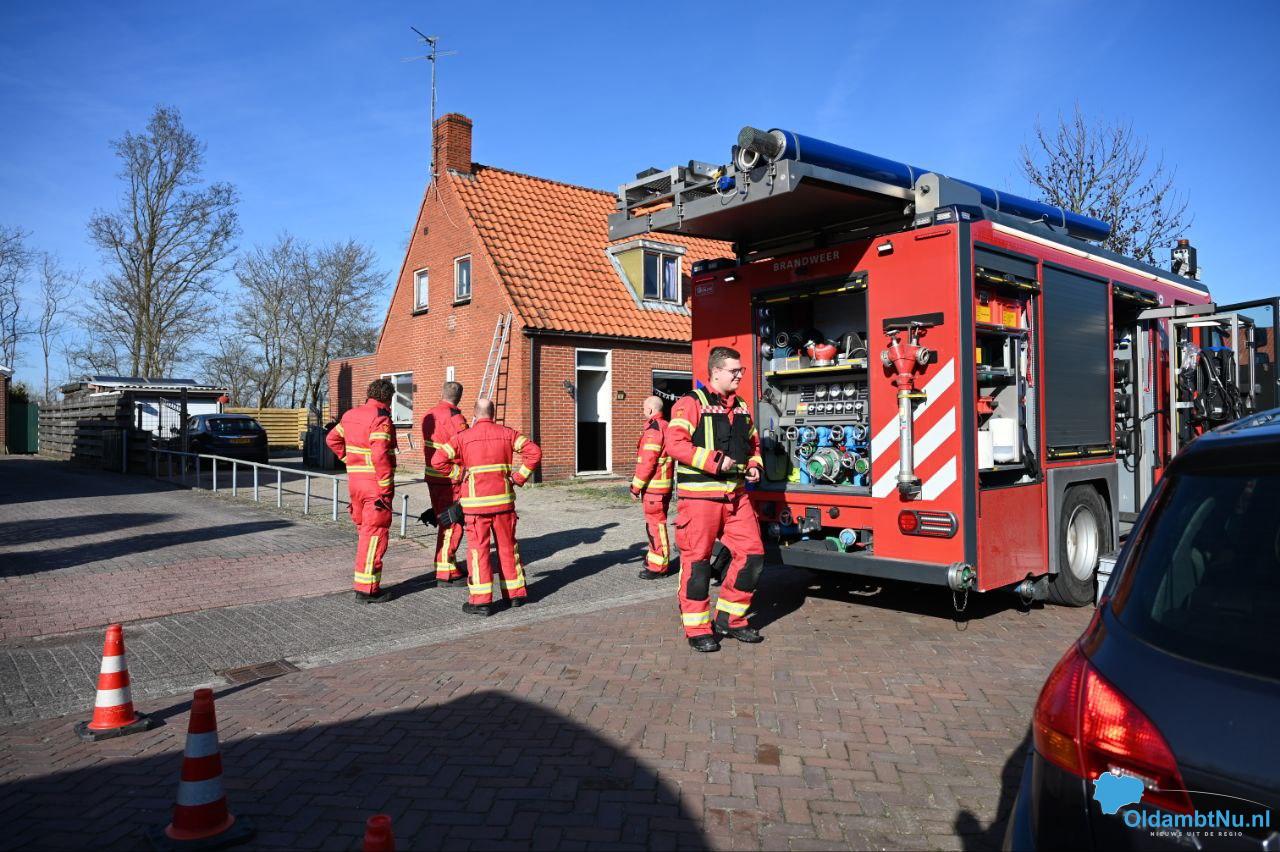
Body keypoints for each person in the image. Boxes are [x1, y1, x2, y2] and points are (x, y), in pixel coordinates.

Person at [666, 347, 766, 652]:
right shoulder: (690, 403)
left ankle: (730, 619)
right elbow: (675, 444)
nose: (739, 376)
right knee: (698, 564)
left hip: (736, 496)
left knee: (752, 555)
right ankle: (697, 629)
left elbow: (754, 445)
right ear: (716, 372)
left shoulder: (742, 407)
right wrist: (714, 461)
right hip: (700, 500)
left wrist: (754, 465)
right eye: (734, 371)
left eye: (741, 371)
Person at [431, 399, 542, 616]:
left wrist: (459, 474)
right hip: (503, 503)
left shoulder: (462, 437)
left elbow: (437, 461)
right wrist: (518, 477)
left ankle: (481, 602)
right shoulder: (508, 434)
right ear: (493, 413)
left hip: (475, 507)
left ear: (474, 414)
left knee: (478, 552)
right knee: (508, 548)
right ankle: (515, 595)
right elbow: (534, 452)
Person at [326, 378, 398, 603]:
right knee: (374, 535)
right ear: (388, 398)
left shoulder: (350, 415)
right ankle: (367, 589)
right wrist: (385, 486)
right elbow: (380, 455)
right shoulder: (380, 418)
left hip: (355, 483)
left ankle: (364, 583)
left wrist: (348, 459)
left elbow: (332, 438)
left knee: (365, 533)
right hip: (374, 485)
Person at [421, 381, 468, 584]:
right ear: (459, 397)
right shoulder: (455, 418)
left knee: (444, 520)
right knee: (453, 521)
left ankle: (444, 562)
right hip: (450, 478)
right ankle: (446, 570)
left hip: (433, 477)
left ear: (442, 393)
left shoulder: (428, 414)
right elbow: (465, 447)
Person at [630, 395, 674, 578]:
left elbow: (647, 462)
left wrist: (635, 487)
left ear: (650, 410)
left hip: (654, 488)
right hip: (662, 486)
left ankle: (659, 566)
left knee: (655, 526)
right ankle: (654, 557)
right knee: (654, 526)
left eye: (643, 408)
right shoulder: (666, 426)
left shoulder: (653, 430)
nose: (643, 412)